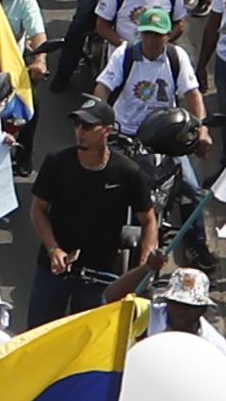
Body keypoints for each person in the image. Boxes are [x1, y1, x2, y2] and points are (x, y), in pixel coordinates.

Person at [23, 109, 146, 328]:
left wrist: (145, 263)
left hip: (100, 275)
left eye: (88, 126)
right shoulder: (57, 162)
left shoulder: (127, 172)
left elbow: (149, 219)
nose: (80, 131)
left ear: (107, 130)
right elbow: (38, 209)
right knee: (37, 334)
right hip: (54, 270)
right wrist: (53, 249)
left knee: (92, 339)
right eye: (77, 125)